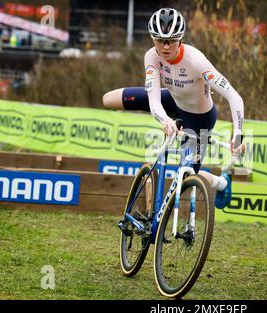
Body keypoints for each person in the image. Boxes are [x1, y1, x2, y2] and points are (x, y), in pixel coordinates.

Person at [102, 7, 244, 209]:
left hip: (199, 118)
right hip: (170, 100)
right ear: (153, 39)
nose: (166, 47)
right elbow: (154, 100)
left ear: (181, 39)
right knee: (108, 99)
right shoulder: (151, 56)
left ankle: (221, 183)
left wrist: (238, 134)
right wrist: (164, 120)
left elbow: (234, 96)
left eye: (172, 40)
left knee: (186, 176)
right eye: (160, 40)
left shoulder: (196, 61)